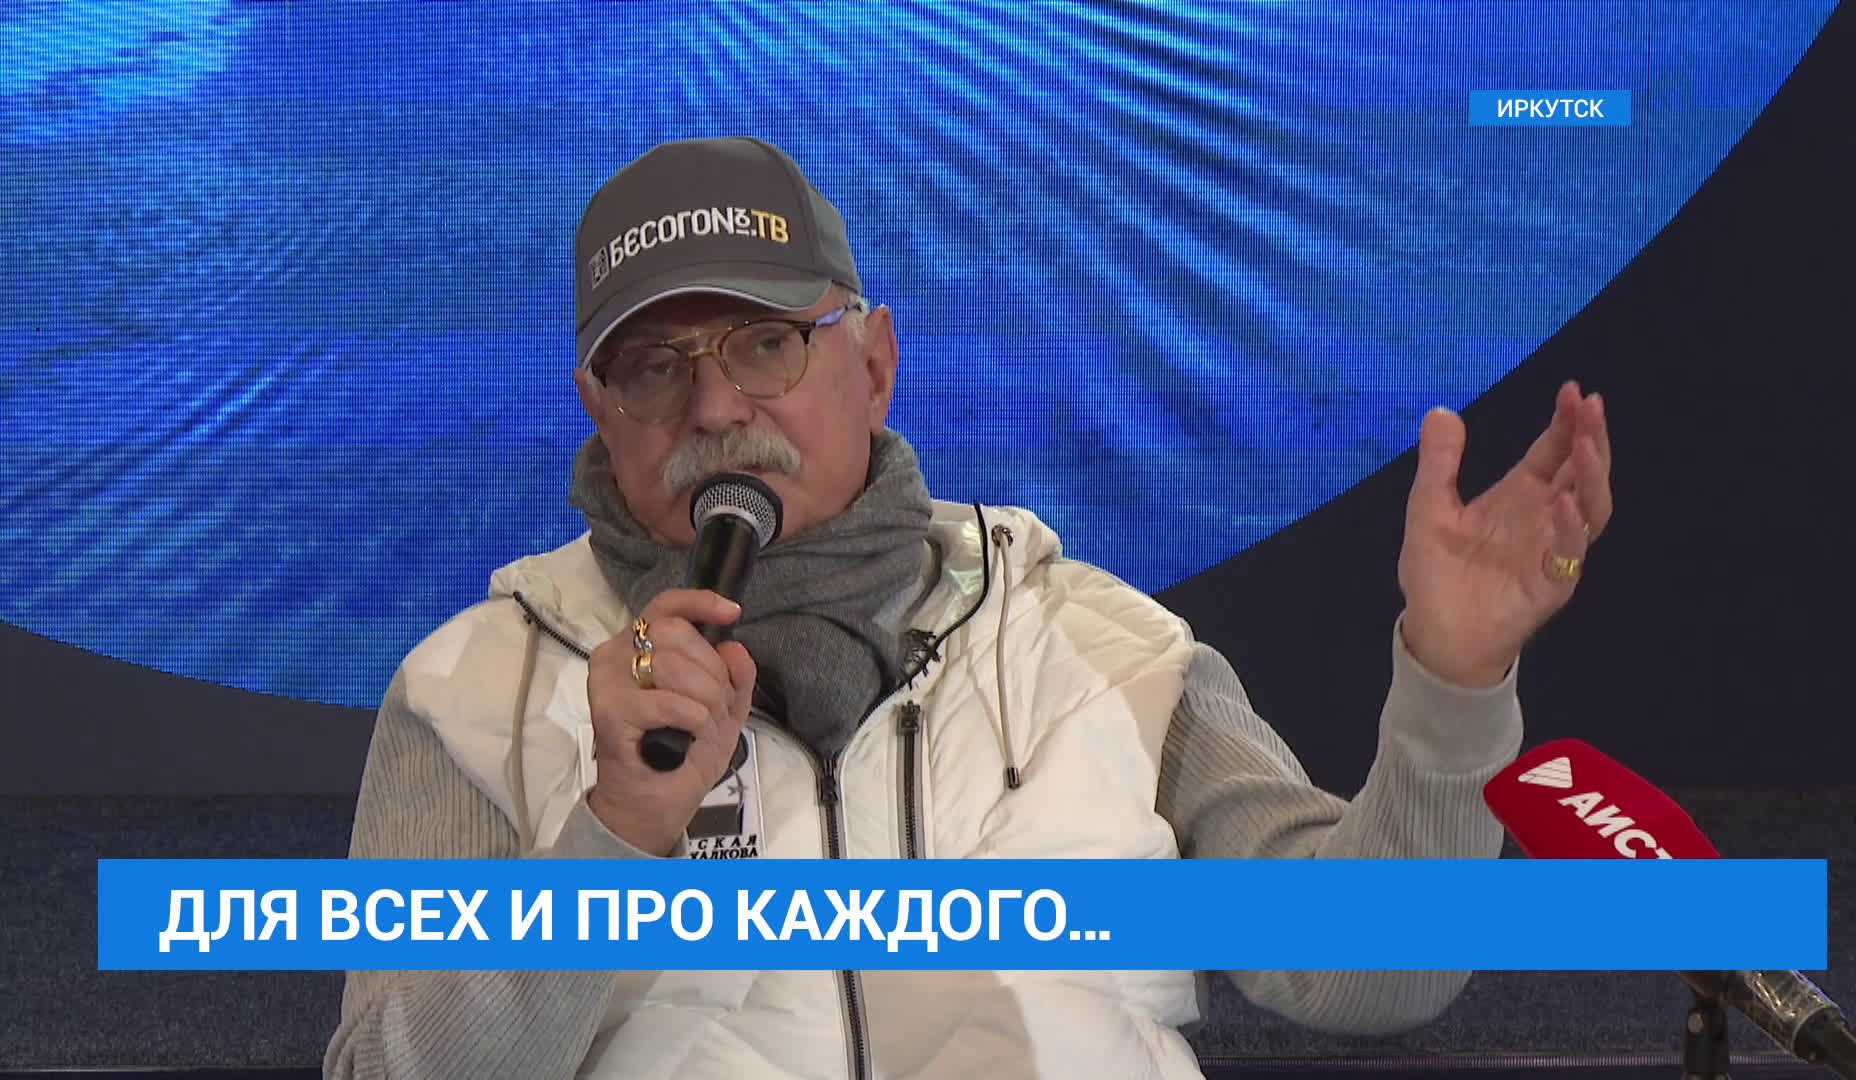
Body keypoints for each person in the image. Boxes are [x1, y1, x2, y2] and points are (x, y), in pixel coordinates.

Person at [324, 135, 1613, 1080]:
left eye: (766, 344)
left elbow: (1370, 968)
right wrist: (611, 835)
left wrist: (1453, 685)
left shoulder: (1099, 645)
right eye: (654, 368)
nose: (714, 408)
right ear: (599, 412)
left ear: (874, 364)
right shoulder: (474, 690)